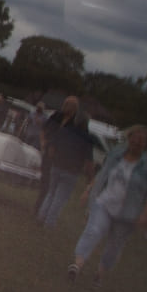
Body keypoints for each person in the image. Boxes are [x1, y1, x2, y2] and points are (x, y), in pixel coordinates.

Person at [68, 124, 147, 285]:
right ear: (128, 138)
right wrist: (89, 190)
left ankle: (100, 274)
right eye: (134, 138)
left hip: (129, 213)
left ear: (146, 144)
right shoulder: (116, 153)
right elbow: (102, 174)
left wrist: (146, 213)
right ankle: (77, 265)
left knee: (114, 247)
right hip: (105, 202)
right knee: (93, 230)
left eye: (140, 141)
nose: (136, 143)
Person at [36, 95, 95, 228]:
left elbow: (53, 146)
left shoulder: (66, 131)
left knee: (51, 193)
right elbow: (89, 161)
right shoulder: (87, 138)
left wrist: (54, 158)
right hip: (70, 170)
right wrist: (90, 178)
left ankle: (41, 216)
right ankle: (49, 222)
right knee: (59, 197)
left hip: (57, 165)